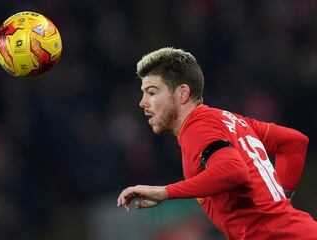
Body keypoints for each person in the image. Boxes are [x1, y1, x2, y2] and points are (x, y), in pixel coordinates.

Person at [117, 47, 317, 239]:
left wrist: (165, 192)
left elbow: (233, 170)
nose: (142, 102)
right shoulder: (230, 120)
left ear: (182, 94)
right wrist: (281, 205)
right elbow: (294, 143)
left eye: (152, 92)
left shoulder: (196, 129)